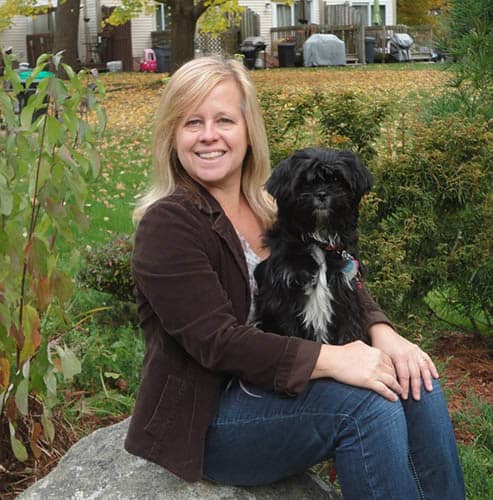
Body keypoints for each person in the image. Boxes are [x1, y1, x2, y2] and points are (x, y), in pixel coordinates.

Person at [124, 56, 465, 499]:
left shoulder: (274, 210)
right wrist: (335, 360)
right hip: (212, 418)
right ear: (173, 135)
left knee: (416, 381)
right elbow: (216, 342)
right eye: (192, 122)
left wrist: (384, 333)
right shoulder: (170, 224)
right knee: (367, 405)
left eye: (224, 119)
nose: (209, 136)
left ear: (248, 131)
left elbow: (339, 273)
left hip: (277, 387)